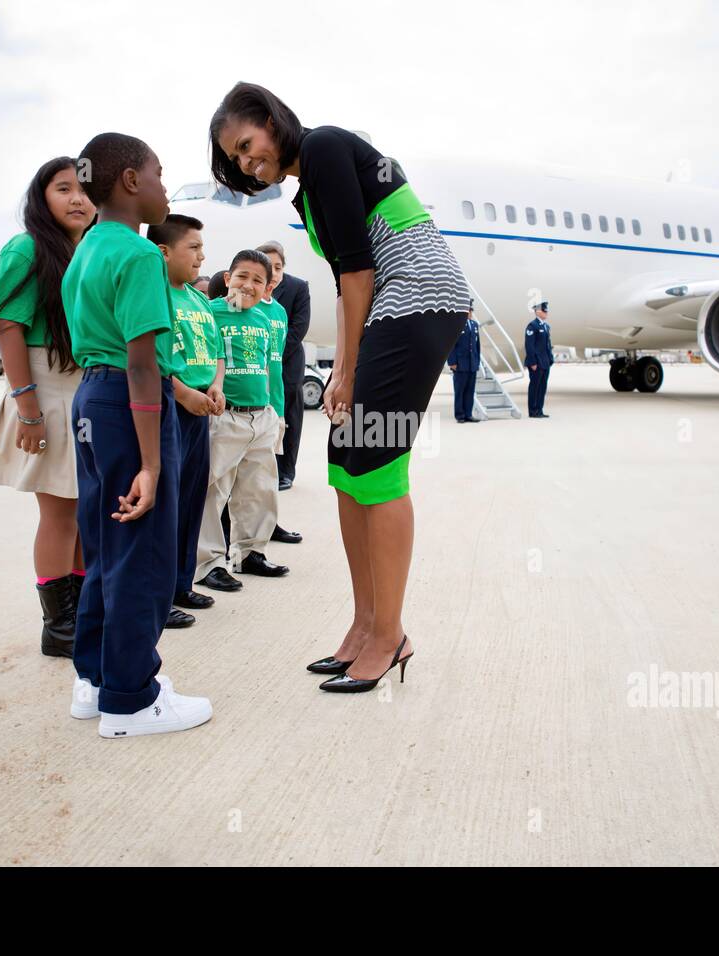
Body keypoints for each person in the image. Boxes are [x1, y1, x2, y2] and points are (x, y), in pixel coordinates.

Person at [210, 83, 470, 693]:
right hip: (386, 307)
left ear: (273, 122)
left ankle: (391, 634)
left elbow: (360, 271)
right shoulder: (307, 191)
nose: (248, 163)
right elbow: (343, 277)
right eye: (237, 159)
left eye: (249, 145)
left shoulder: (325, 145)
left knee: (376, 457)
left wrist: (348, 371)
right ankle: (364, 626)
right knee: (346, 460)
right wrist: (342, 369)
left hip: (420, 300)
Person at [61, 131, 211, 738]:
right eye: (157, 174)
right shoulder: (141, 254)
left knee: (105, 547)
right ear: (129, 181)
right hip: (130, 401)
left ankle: (97, 681)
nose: (163, 187)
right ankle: (132, 698)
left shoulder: (88, 247)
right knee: (143, 553)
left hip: (93, 399)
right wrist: (151, 464)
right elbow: (144, 362)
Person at [0, 156, 96, 658]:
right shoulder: (27, 248)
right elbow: (8, 325)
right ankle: (60, 627)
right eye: (63, 188)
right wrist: (27, 408)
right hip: (44, 390)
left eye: (85, 190)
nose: (77, 199)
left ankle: (80, 614)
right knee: (59, 513)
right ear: (41, 197)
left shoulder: (87, 252)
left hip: (81, 388)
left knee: (83, 511)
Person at [146, 214, 226, 627]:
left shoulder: (197, 299)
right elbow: (149, 357)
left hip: (200, 411)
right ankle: (158, 597)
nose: (201, 256)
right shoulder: (155, 293)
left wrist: (215, 385)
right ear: (164, 252)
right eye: (193, 248)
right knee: (167, 504)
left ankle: (181, 584)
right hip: (170, 408)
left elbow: (216, 351)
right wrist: (183, 393)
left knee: (193, 499)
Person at [195, 250, 289, 590]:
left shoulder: (265, 319)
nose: (248, 285)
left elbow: (271, 368)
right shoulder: (209, 312)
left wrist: (276, 413)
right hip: (225, 415)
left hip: (261, 415)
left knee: (258, 490)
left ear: (267, 288)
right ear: (228, 278)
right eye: (242, 277)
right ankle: (207, 564)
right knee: (212, 491)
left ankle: (250, 553)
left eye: (258, 280)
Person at [253, 261, 302, 545]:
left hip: (274, 404)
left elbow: (276, 360)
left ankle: (268, 526)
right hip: (247, 403)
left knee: (268, 473)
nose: (272, 275)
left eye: (278, 268)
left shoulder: (280, 313)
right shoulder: (242, 308)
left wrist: (279, 407)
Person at [257, 240, 311, 490]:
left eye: (278, 267)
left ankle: (286, 470)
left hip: (287, 363)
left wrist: (275, 355)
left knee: (289, 416)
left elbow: (298, 329)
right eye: (269, 266)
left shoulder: (298, 288)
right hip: (255, 364)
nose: (274, 273)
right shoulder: (252, 287)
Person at [447, 301, 481, 423]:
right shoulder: (455, 325)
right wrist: (452, 362)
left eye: (471, 311)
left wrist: (477, 362)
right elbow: (450, 345)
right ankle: (460, 415)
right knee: (460, 390)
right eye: (468, 310)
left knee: (470, 391)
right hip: (460, 364)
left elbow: (477, 346)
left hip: (472, 364)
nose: (470, 313)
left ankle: (468, 414)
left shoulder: (475, 325)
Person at [524, 301, 554, 418]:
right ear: (537, 312)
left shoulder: (546, 326)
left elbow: (548, 344)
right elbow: (529, 346)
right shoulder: (532, 326)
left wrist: (550, 359)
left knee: (542, 387)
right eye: (544, 311)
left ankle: (539, 410)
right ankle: (533, 411)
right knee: (534, 387)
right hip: (536, 363)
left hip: (545, 362)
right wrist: (532, 362)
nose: (546, 313)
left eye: (546, 311)